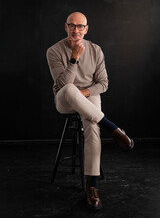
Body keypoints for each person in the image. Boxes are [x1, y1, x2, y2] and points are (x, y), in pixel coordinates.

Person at [46, 11, 134, 211]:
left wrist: (84, 92)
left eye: (80, 26)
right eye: (72, 25)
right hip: (64, 98)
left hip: (88, 95)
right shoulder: (53, 51)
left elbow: (103, 84)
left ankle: (92, 188)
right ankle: (113, 129)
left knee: (92, 126)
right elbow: (63, 84)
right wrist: (74, 59)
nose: (75, 30)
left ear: (86, 29)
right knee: (69, 89)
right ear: (66, 27)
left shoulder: (96, 50)